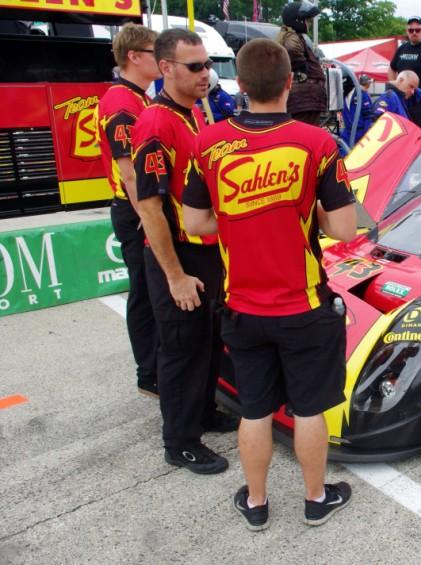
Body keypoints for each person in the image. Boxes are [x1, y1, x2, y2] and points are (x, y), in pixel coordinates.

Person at [181, 38, 357, 531]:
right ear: (287, 84)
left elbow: (195, 222)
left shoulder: (208, 142)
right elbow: (344, 230)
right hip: (303, 307)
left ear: (240, 85)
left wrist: (243, 221)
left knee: (254, 409)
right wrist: (299, 215)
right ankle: (315, 499)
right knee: (308, 408)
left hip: (242, 306)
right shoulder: (317, 143)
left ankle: (256, 504)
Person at [132, 28, 235, 475]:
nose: (206, 74)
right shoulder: (155, 122)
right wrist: (173, 275)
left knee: (207, 341)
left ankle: (203, 414)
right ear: (166, 68)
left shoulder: (193, 113)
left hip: (206, 251)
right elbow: (150, 208)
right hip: (178, 254)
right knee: (180, 348)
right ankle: (180, 441)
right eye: (196, 67)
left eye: (208, 64)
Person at [95, 23, 160, 398]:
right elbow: (130, 172)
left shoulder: (140, 97)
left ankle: (153, 368)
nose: (163, 59)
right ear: (134, 56)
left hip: (141, 208)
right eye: (155, 52)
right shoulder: (122, 102)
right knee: (146, 292)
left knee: (151, 291)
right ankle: (149, 373)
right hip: (134, 210)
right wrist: (150, 221)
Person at [388, 16, 421, 133]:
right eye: (411, 30)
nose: (414, 33)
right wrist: (394, 88)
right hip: (402, 103)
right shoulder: (402, 49)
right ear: (407, 31)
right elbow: (392, 68)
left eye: (417, 30)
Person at [278, 1, 326, 125]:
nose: (308, 24)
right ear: (297, 20)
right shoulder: (291, 36)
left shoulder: (292, 36)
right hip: (303, 100)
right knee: (306, 137)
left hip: (305, 100)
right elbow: (291, 49)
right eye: (307, 20)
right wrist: (302, 68)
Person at [341, 74, 374, 146]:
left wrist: (366, 135)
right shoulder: (343, 95)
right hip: (347, 134)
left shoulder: (362, 94)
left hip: (360, 134)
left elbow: (368, 116)